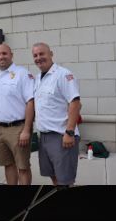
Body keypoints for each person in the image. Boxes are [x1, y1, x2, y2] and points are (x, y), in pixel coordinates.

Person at [31, 42, 81, 186]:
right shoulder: (38, 78)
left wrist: (69, 132)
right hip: (44, 137)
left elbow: (75, 102)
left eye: (42, 54)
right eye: (35, 55)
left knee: (65, 180)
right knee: (53, 176)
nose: (38, 58)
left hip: (61, 136)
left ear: (51, 54)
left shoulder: (63, 74)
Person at [0, 44, 35, 185]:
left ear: (11, 55)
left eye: (4, 53)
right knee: (8, 165)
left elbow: (30, 102)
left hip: (18, 128)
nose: (1, 57)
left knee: (23, 167)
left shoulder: (22, 74)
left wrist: (26, 129)